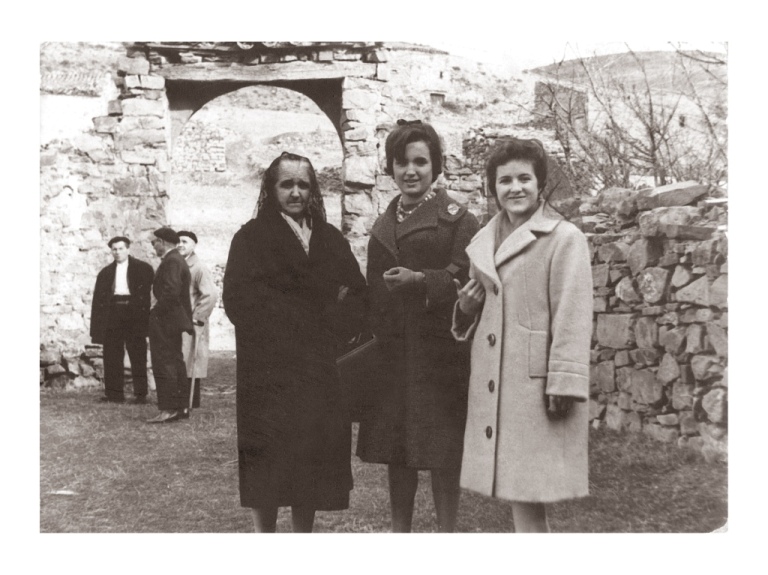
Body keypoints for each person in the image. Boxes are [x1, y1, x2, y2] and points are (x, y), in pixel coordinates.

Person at [452, 138, 593, 532]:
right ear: (492, 187)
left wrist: (564, 382)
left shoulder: (564, 238)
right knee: (518, 492)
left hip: (534, 384)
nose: (515, 188)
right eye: (505, 180)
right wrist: (465, 309)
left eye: (524, 179)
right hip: (496, 380)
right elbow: (483, 308)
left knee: (529, 490)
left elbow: (573, 314)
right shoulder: (484, 240)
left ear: (540, 183)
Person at [223, 152, 366, 533]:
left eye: (303, 184)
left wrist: (329, 318)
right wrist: (314, 306)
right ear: (271, 189)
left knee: (310, 462)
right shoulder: (250, 238)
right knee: (268, 461)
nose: (296, 192)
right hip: (268, 373)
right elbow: (239, 300)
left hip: (319, 370)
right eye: (286, 184)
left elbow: (356, 293)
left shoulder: (329, 238)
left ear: (313, 190)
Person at [355, 120, 480, 532]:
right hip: (394, 353)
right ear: (390, 167)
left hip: (440, 353)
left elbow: (467, 277)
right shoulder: (384, 222)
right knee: (398, 448)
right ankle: (400, 532)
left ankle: (447, 534)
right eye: (401, 162)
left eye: (421, 162)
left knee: (443, 450)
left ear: (436, 167)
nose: (410, 171)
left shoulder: (458, 220)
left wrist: (422, 280)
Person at [90, 236, 154, 404]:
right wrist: (98, 326)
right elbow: (98, 300)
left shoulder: (143, 268)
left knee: (137, 353)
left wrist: (145, 319)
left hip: (134, 314)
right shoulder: (105, 273)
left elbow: (149, 295)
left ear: (128, 249)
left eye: (121, 248)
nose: (117, 252)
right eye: (114, 249)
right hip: (113, 313)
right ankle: (114, 394)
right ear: (111, 251)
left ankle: (141, 394)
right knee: (112, 354)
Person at [146, 227, 194, 424]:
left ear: (163, 242)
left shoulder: (172, 261)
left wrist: (155, 312)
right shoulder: (176, 259)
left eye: (154, 242)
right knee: (175, 361)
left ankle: (169, 409)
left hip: (166, 320)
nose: (153, 246)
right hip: (172, 320)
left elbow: (171, 291)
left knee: (164, 362)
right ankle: (180, 407)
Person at [177, 230, 218, 409]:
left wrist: (197, 317)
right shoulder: (176, 264)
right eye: (178, 241)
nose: (180, 245)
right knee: (180, 360)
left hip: (191, 322)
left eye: (184, 241)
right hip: (177, 321)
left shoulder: (198, 267)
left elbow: (210, 295)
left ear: (193, 245)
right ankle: (179, 400)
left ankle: (191, 401)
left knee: (191, 360)